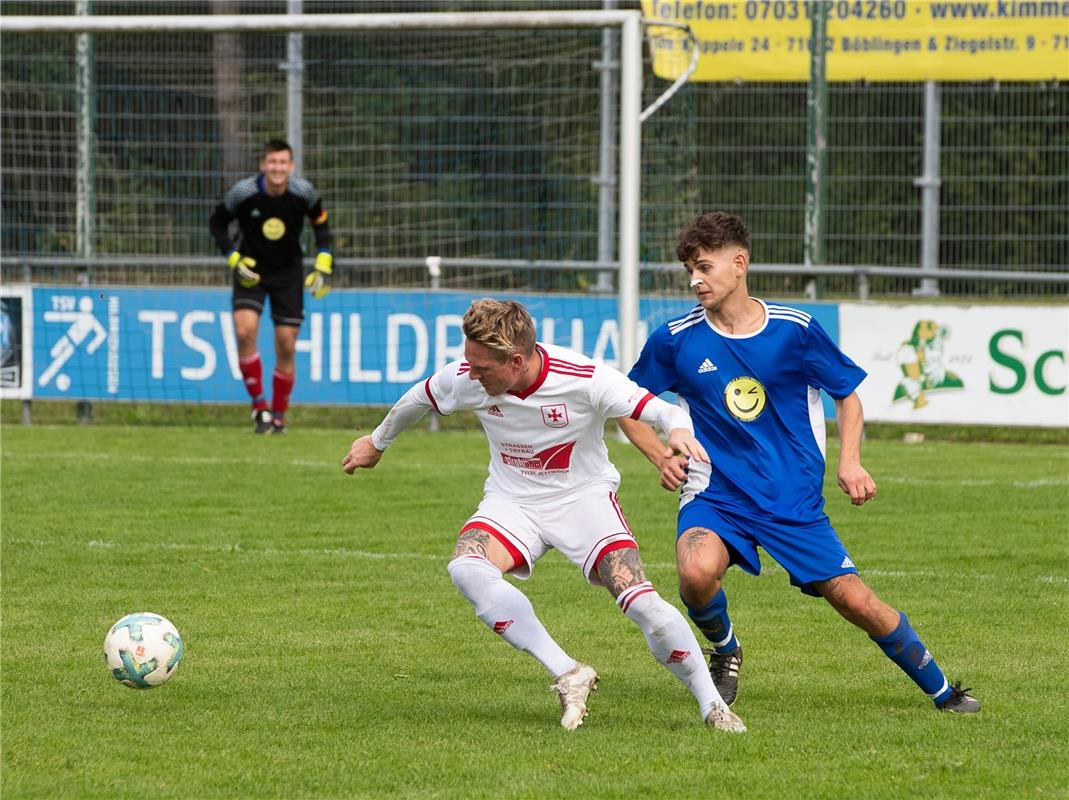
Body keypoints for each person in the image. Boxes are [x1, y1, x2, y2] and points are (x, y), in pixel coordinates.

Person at [619, 211, 980, 714]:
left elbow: (848, 396)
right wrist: (660, 455)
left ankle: (945, 692)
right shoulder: (675, 339)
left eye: (703, 267)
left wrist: (849, 462)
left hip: (791, 498)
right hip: (715, 494)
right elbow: (628, 403)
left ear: (738, 263)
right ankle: (726, 650)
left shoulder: (795, 330)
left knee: (855, 601)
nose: (695, 280)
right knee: (695, 573)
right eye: (688, 271)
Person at [342, 298, 746, 732]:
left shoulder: (584, 377)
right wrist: (377, 442)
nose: (470, 374)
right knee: (467, 570)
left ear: (516, 360)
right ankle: (569, 672)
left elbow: (659, 409)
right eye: (468, 363)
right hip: (512, 500)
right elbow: (419, 398)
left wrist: (678, 429)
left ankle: (713, 707)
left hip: (583, 500)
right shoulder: (468, 377)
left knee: (640, 602)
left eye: (481, 367)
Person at [209, 139, 333, 434]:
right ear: (263, 165)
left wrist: (324, 261)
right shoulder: (244, 193)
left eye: (283, 163)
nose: (277, 168)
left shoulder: (303, 192)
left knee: (286, 344)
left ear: (290, 166)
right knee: (244, 331)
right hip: (250, 270)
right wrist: (233, 257)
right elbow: (217, 222)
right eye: (272, 162)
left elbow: (321, 224)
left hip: (289, 273)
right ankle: (259, 409)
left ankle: (278, 416)